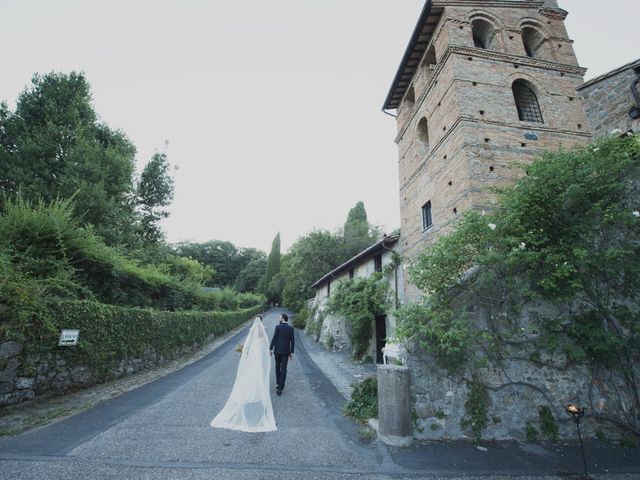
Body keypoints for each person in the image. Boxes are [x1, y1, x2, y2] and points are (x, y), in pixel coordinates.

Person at [210, 316, 276, 432]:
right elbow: (265, 343)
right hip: (259, 352)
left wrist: (244, 353)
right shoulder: (263, 329)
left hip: (253, 354)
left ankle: (249, 391)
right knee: (258, 371)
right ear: (261, 320)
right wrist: (267, 352)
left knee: (249, 372)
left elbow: (248, 344)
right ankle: (257, 390)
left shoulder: (252, 330)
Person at [270, 313, 295, 396]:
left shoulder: (278, 327)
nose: (278, 319)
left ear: (283, 319)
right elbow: (292, 341)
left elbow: (274, 338)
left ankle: (278, 384)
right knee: (284, 369)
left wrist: (270, 348)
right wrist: (291, 351)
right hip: (286, 351)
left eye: (280, 318)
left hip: (277, 351)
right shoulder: (290, 328)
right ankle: (280, 388)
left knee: (277, 367)